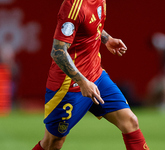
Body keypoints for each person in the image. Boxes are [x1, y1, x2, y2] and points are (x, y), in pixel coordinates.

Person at [33, 0, 149, 150]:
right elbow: (58, 52)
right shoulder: (73, 6)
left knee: (130, 121)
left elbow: (91, 24)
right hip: (69, 86)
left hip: (96, 76)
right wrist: (82, 82)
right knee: (52, 143)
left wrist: (107, 39)